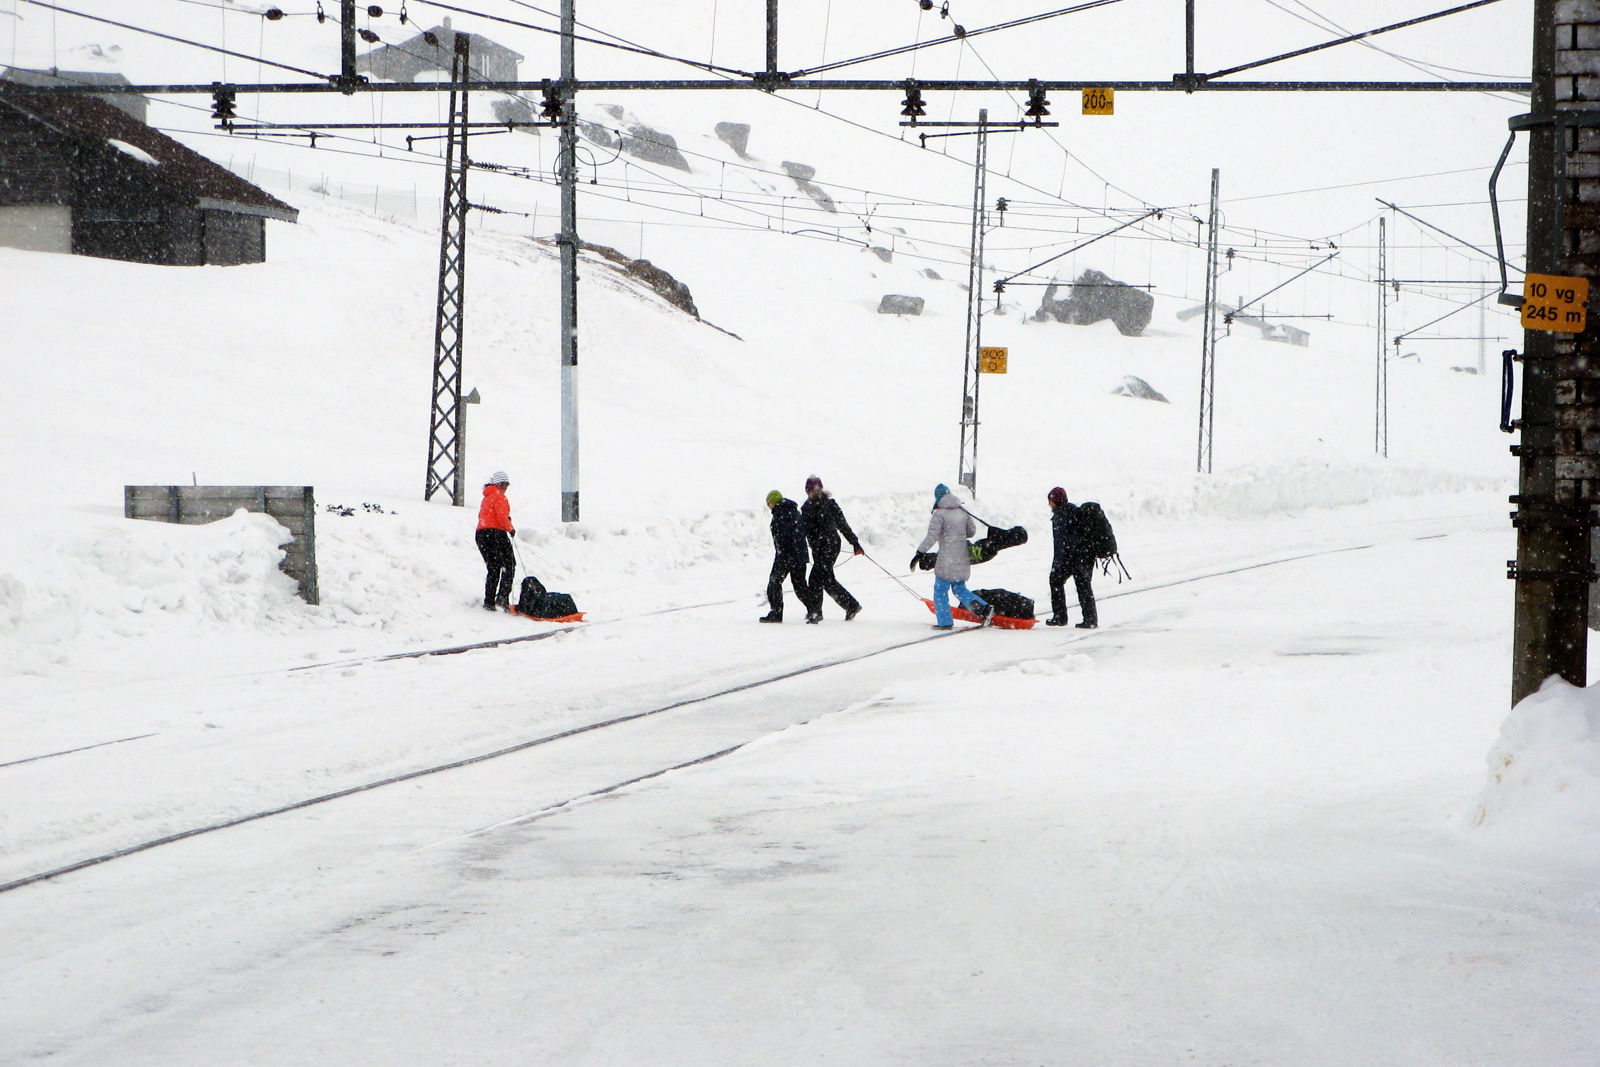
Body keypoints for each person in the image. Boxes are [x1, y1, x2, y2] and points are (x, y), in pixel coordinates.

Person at [912, 483, 991, 630]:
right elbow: (971, 531)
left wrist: (919, 552)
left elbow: (932, 536)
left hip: (946, 558)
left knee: (940, 589)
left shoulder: (939, 514)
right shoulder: (962, 511)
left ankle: (945, 622)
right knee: (960, 588)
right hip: (962, 556)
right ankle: (984, 609)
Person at [801, 475, 865, 621]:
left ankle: (817, 612)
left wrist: (855, 543)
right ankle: (850, 605)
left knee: (816, 578)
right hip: (818, 547)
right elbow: (803, 530)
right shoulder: (807, 508)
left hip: (830, 545)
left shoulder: (830, 505)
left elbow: (843, 525)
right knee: (825, 578)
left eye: (817, 489)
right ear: (807, 491)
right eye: (812, 490)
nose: (815, 492)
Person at [762, 490, 823, 624]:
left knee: (774, 583)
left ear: (773, 502)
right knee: (800, 586)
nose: (769, 507)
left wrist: (783, 555)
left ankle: (776, 613)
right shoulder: (792, 511)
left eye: (769, 504)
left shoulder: (781, 514)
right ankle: (814, 611)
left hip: (787, 555)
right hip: (799, 555)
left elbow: (784, 538)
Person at [1046, 486, 1098, 628]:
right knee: (1083, 586)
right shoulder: (1073, 511)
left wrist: (1060, 562)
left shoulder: (1062, 516)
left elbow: (1063, 543)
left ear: (1055, 500)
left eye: (1050, 500)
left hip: (1074, 557)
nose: (1049, 504)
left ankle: (1060, 617)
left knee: (1057, 580)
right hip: (1084, 556)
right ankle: (1090, 619)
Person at [476, 471, 516, 611]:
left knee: (493, 567)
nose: (505, 487)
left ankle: (489, 602)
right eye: (503, 484)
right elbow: (501, 517)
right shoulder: (500, 497)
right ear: (497, 484)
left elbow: (487, 515)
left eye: (506, 484)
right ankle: (502, 598)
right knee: (509, 565)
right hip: (495, 533)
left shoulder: (487, 497)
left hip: (481, 534)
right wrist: (510, 528)